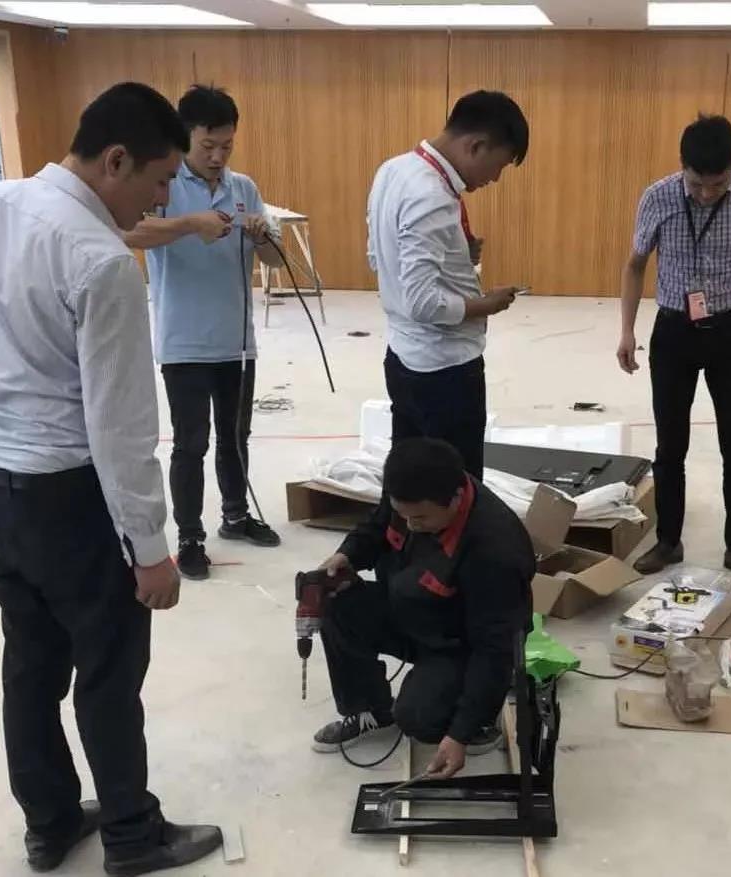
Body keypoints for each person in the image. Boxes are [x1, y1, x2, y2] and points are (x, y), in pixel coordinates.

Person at [0, 83, 222, 874]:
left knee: (29, 665)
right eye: (160, 180)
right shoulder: (101, 260)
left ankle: (51, 821)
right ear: (115, 160)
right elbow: (119, 424)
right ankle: (131, 834)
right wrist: (151, 549)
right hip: (74, 499)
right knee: (109, 673)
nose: (162, 201)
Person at [617, 114, 731, 574]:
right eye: (696, 183)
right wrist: (627, 331)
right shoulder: (658, 196)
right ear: (682, 166)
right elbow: (635, 265)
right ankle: (668, 542)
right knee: (670, 447)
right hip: (674, 332)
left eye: (717, 184)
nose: (705, 194)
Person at [124, 84, 285, 581]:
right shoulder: (165, 187)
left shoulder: (244, 188)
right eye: (207, 146)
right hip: (184, 343)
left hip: (237, 343)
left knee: (236, 437)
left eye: (226, 146)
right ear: (184, 138)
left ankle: (235, 516)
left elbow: (275, 260)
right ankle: (189, 536)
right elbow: (131, 233)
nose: (217, 157)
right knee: (190, 443)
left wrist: (262, 236)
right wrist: (192, 222)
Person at [311, 437, 535, 779]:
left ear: (456, 498)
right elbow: (377, 525)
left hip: (459, 644)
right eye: (403, 514)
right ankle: (371, 709)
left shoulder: (495, 552)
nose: (411, 524)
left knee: (419, 718)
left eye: (420, 518)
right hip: (412, 606)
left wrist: (459, 733)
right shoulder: (409, 493)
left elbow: (494, 649)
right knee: (335, 601)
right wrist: (348, 555)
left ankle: (476, 723)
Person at [367, 90, 530, 479]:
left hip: (402, 357)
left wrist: (456, 255)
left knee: (408, 483)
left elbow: (379, 257)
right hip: (445, 370)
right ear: (476, 145)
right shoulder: (432, 196)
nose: (494, 178)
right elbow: (424, 304)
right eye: (499, 165)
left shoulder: (394, 170)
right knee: (456, 488)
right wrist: (488, 303)